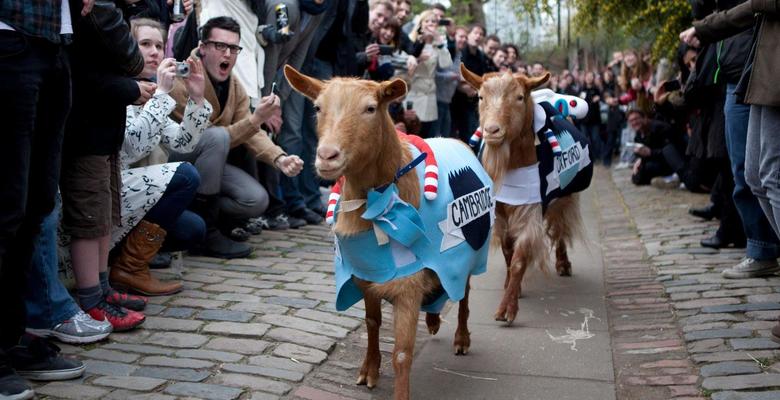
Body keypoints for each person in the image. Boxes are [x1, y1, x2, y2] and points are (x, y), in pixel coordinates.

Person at [0, 1, 97, 396]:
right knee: (6, 208)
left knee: (36, 204)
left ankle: (11, 337)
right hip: (9, 40)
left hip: (54, 44)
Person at [169, 16, 303, 247]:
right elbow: (205, 138)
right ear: (202, 48)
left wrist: (278, 157)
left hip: (208, 171)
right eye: (220, 46)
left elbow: (250, 130)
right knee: (217, 137)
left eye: (233, 48)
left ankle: (205, 216)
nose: (227, 54)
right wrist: (256, 119)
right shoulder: (183, 79)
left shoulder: (234, 84)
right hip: (175, 166)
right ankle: (208, 233)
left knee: (256, 200)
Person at [110, 17, 213, 295]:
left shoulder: (150, 92)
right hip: (105, 194)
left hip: (130, 196)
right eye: (145, 44)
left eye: (159, 45)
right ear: (127, 47)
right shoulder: (119, 88)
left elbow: (184, 141)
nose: (155, 52)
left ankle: (123, 261)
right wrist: (164, 93)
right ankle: (129, 269)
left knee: (193, 229)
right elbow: (132, 146)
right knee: (185, 175)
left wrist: (197, 98)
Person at [681, 1, 780, 280]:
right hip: (754, 71)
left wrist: (706, 28)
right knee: (753, 176)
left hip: (766, 69)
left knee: (771, 175)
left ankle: (762, 248)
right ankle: (762, 248)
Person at [405, 10, 452, 138]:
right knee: (412, 134)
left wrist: (439, 41)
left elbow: (446, 64)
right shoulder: (411, 39)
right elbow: (403, 65)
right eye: (427, 21)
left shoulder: (439, 44)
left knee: (428, 137)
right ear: (421, 24)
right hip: (414, 93)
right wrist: (418, 59)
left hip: (430, 97)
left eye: (433, 21)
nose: (430, 24)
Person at [627, 109, 687, 187]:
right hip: (656, 160)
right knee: (637, 176)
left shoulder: (660, 128)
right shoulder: (639, 134)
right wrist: (638, 160)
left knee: (647, 169)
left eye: (636, 119)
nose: (634, 122)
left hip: (672, 162)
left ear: (644, 118)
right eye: (631, 121)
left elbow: (672, 152)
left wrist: (650, 152)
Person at [451, 24, 488, 142]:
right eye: (475, 33)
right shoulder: (461, 51)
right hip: (456, 100)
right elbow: (457, 75)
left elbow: (483, 77)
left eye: (481, 34)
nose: (478, 36)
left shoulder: (481, 56)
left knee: (474, 133)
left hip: (475, 100)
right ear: (469, 35)